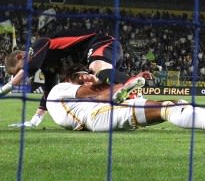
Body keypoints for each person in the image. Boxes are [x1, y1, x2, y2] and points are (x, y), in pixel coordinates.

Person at [2, 30, 150, 129]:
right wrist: (34, 121)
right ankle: (135, 96)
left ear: (20, 56)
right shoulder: (48, 66)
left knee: (97, 69)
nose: (22, 75)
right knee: (100, 79)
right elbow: (48, 94)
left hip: (101, 42)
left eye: (19, 70)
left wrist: (8, 87)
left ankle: (131, 80)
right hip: (102, 55)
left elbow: (32, 66)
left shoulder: (39, 44)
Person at [46, 66, 205, 133]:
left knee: (174, 105)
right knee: (167, 110)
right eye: (82, 76)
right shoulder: (61, 89)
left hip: (102, 114)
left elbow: (104, 94)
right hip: (97, 118)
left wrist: (130, 83)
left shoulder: (75, 97)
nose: (88, 78)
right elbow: (100, 94)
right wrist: (128, 83)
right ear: (69, 79)